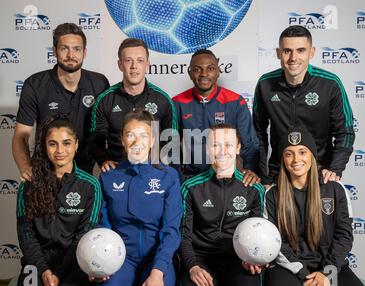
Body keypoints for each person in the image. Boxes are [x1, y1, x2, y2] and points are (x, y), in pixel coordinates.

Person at [265, 127, 365, 286]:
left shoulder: (334, 188)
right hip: (289, 268)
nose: (296, 159)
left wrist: (327, 275)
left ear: (311, 155)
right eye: (289, 153)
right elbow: (276, 243)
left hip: (330, 266)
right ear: (283, 158)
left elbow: (344, 236)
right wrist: (304, 275)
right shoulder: (272, 195)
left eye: (302, 152)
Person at [253, 25, 355, 187]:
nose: (293, 57)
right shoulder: (265, 84)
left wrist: (334, 169)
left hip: (320, 173)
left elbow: (346, 133)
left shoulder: (330, 84)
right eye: (287, 51)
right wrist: (262, 175)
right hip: (279, 174)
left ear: (311, 52)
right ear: (279, 53)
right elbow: (258, 133)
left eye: (300, 50)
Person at [96, 110, 182, 286]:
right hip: (120, 259)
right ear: (122, 140)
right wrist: (103, 261)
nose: (137, 142)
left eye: (144, 136)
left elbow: (172, 230)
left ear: (152, 141)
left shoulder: (168, 176)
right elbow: (103, 227)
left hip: (157, 260)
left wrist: (158, 271)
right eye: (130, 135)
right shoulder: (108, 176)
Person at [16, 114, 102, 286]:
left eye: (66, 143)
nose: (59, 150)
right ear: (45, 146)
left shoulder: (89, 186)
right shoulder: (29, 184)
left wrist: (58, 275)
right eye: (52, 143)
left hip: (74, 264)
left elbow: (84, 236)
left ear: (76, 145)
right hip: (36, 264)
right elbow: (26, 235)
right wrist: (44, 270)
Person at [179, 124, 266, 286]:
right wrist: (193, 266)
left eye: (228, 145)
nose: (222, 151)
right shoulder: (190, 187)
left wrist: (252, 258)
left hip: (239, 262)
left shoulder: (254, 189)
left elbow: (258, 233)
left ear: (238, 148)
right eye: (215, 145)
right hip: (201, 261)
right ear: (207, 149)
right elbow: (183, 235)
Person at [12, 22, 110, 178]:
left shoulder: (99, 83)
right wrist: (26, 167)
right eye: (64, 48)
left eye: (77, 49)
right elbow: (21, 135)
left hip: (84, 172)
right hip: (45, 170)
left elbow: (106, 129)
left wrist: (105, 160)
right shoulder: (35, 84)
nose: (71, 55)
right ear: (55, 51)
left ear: (84, 52)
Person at [173, 49, 260, 186]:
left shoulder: (235, 101)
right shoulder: (177, 103)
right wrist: (176, 177)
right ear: (190, 73)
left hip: (227, 180)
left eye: (210, 68)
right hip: (191, 180)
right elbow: (171, 147)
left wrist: (250, 171)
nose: (204, 74)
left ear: (218, 71)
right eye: (197, 69)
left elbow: (250, 144)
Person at [90, 38, 178, 173]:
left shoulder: (163, 100)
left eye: (140, 60)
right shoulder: (105, 100)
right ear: (120, 64)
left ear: (147, 65)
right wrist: (104, 160)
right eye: (128, 60)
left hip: (153, 171)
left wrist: (161, 170)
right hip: (117, 170)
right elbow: (97, 140)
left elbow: (171, 142)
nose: (134, 66)